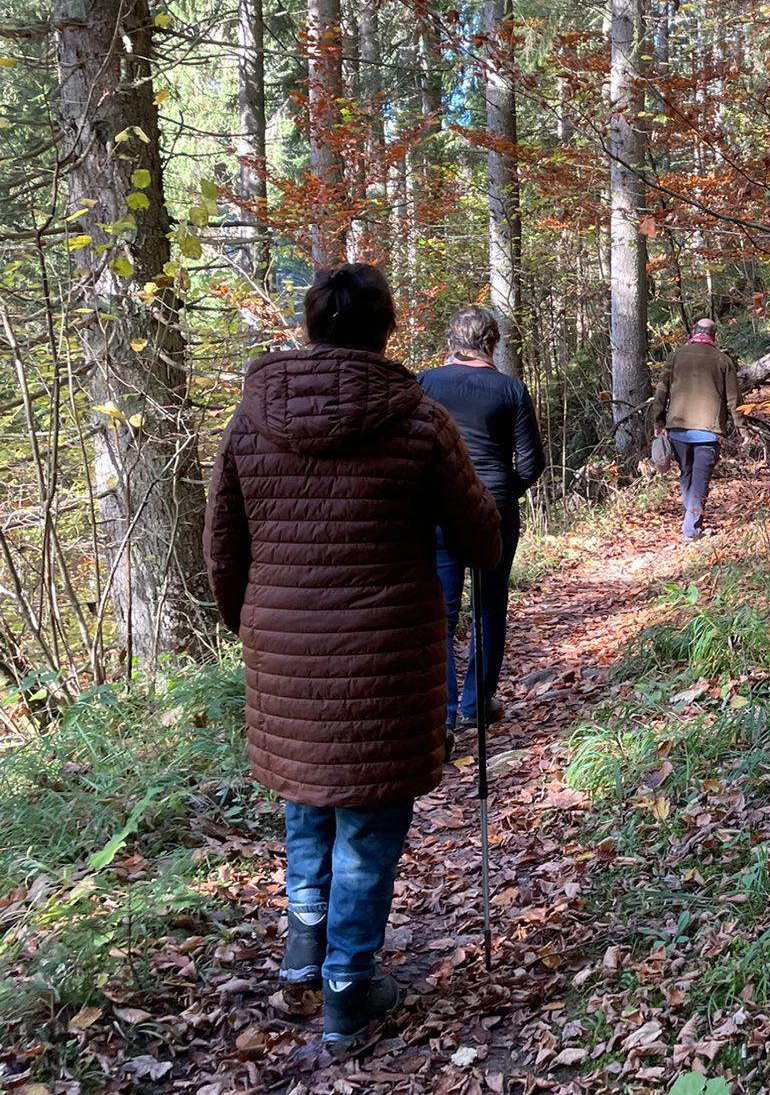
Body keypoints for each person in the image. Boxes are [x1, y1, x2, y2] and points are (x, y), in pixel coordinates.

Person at [204, 264, 501, 1049]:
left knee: (308, 798)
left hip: (283, 651)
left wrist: (254, 628)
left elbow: (222, 547)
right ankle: (346, 990)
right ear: (386, 330)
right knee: (367, 818)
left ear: (310, 327)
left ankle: (306, 955)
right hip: (386, 655)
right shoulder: (419, 422)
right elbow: (480, 539)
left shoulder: (250, 420)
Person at [419, 307, 545, 744]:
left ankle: (444, 715)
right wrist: (501, 491)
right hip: (495, 509)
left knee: (441, 611)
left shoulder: (425, 383)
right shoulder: (511, 389)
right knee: (489, 605)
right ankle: (476, 704)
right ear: (493, 342)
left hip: (439, 510)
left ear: (451, 341)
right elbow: (531, 463)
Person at [649, 316, 740, 539]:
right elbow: (734, 399)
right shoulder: (723, 360)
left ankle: (691, 519)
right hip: (708, 432)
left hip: (678, 428)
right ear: (714, 336)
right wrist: (743, 428)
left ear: (693, 332)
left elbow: (661, 392)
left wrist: (658, 422)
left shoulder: (675, 356)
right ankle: (691, 527)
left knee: (686, 474)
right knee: (700, 480)